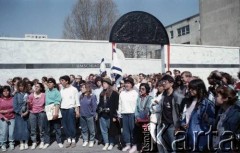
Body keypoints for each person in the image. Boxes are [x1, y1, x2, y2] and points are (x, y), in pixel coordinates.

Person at [181, 79, 215, 152]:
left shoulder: (207, 103)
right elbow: (186, 116)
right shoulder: (190, 101)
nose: (190, 90)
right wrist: (183, 123)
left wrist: (207, 119)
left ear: (199, 89)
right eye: (189, 88)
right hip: (189, 135)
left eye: (193, 88)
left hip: (201, 137)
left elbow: (213, 121)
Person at [155, 75, 184, 153]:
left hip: (172, 125)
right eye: (162, 82)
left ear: (171, 83)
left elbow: (182, 111)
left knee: (173, 147)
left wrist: (178, 125)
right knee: (166, 146)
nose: (163, 84)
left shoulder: (177, 95)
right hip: (163, 124)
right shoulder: (163, 95)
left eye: (165, 82)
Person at [215, 85, 240, 152]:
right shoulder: (221, 110)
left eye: (217, 96)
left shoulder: (236, 114)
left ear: (225, 98)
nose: (215, 98)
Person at [97, 78, 120, 150]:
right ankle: (106, 143)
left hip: (110, 115)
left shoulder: (115, 93)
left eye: (104, 83)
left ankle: (111, 143)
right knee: (104, 130)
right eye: (103, 83)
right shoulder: (101, 93)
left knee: (111, 130)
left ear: (109, 84)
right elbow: (100, 104)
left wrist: (114, 116)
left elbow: (116, 105)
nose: (103, 85)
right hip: (102, 115)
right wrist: (99, 109)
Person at [129, 83, 153, 153]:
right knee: (138, 133)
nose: (141, 90)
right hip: (139, 119)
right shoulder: (139, 98)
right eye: (140, 89)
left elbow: (147, 109)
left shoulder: (149, 98)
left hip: (146, 119)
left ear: (147, 90)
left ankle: (146, 147)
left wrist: (141, 117)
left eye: (143, 89)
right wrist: (137, 117)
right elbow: (136, 108)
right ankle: (139, 147)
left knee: (146, 133)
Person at [118, 77, 139, 152]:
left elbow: (137, 105)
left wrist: (137, 115)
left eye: (129, 83)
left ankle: (134, 145)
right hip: (124, 113)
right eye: (126, 83)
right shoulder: (122, 93)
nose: (127, 84)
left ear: (132, 85)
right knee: (125, 131)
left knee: (133, 130)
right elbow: (120, 104)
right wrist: (119, 113)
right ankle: (128, 145)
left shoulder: (135, 93)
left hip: (132, 114)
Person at [60, 75, 80, 148]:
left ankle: (73, 140)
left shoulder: (74, 89)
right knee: (65, 125)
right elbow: (60, 100)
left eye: (62, 81)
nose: (61, 82)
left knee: (72, 125)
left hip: (71, 109)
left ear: (67, 81)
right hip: (63, 109)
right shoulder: (61, 90)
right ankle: (68, 139)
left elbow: (77, 101)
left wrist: (77, 111)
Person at [28, 83, 47, 149]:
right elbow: (29, 106)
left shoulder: (44, 95)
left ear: (41, 88)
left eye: (38, 87)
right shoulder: (31, 95)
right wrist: (29, 103)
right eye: (35, 86)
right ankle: (34, 142)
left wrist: (45, 108)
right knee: (33, 129)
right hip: (32, 113)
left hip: (41, 113)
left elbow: (46, 103)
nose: (36, 88)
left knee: (41, 128)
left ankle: (42, 141)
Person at [45, 78, 63, 148]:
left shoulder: (57, 92)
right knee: (47, 128)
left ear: (54, 84)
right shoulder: (46, 91)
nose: (49, 83)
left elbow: (57, 102)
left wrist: (56, 112)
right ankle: (47, 142)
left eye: (51, 82)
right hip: (48, 110)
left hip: (55, 109)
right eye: (48, 82)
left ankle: (59, 141)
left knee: (57, 127)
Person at [13, 81, 30, 150]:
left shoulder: (28, 94)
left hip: (27, 114)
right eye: (19, 86)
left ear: (25, 86)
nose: (21, 87)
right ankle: (21, 143)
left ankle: (26, 142)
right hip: (19, 115)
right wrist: (20, 113)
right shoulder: (16, 95)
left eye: (22, 86)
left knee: (27, 129)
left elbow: (30, 104)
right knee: (19, 129)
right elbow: (14, 106)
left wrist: (27, 111)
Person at [79, 83, 97, 148]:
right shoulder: (81, 96)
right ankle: (85, 140)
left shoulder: (92, 96)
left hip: (90, 115)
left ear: (87, 88)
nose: (81, 88)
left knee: (91, 129)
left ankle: (92, 140)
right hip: (82, 115)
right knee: (84, 129)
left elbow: (94, 106)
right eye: (81, 87)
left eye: (83, 87)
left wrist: (94, 114)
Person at [0, 86, 15, 151]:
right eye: (4, 91)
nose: (6, 92)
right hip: (3, 118)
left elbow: (15, 107)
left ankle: (11, 142)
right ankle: (3, 144)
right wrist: (3, 117)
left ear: (9, 91)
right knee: (4, 132)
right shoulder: (0, 99)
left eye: (7, 91)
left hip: (12, 117)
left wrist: (6, 111)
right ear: (2, 92)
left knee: (11, 132)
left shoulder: (12, 99)